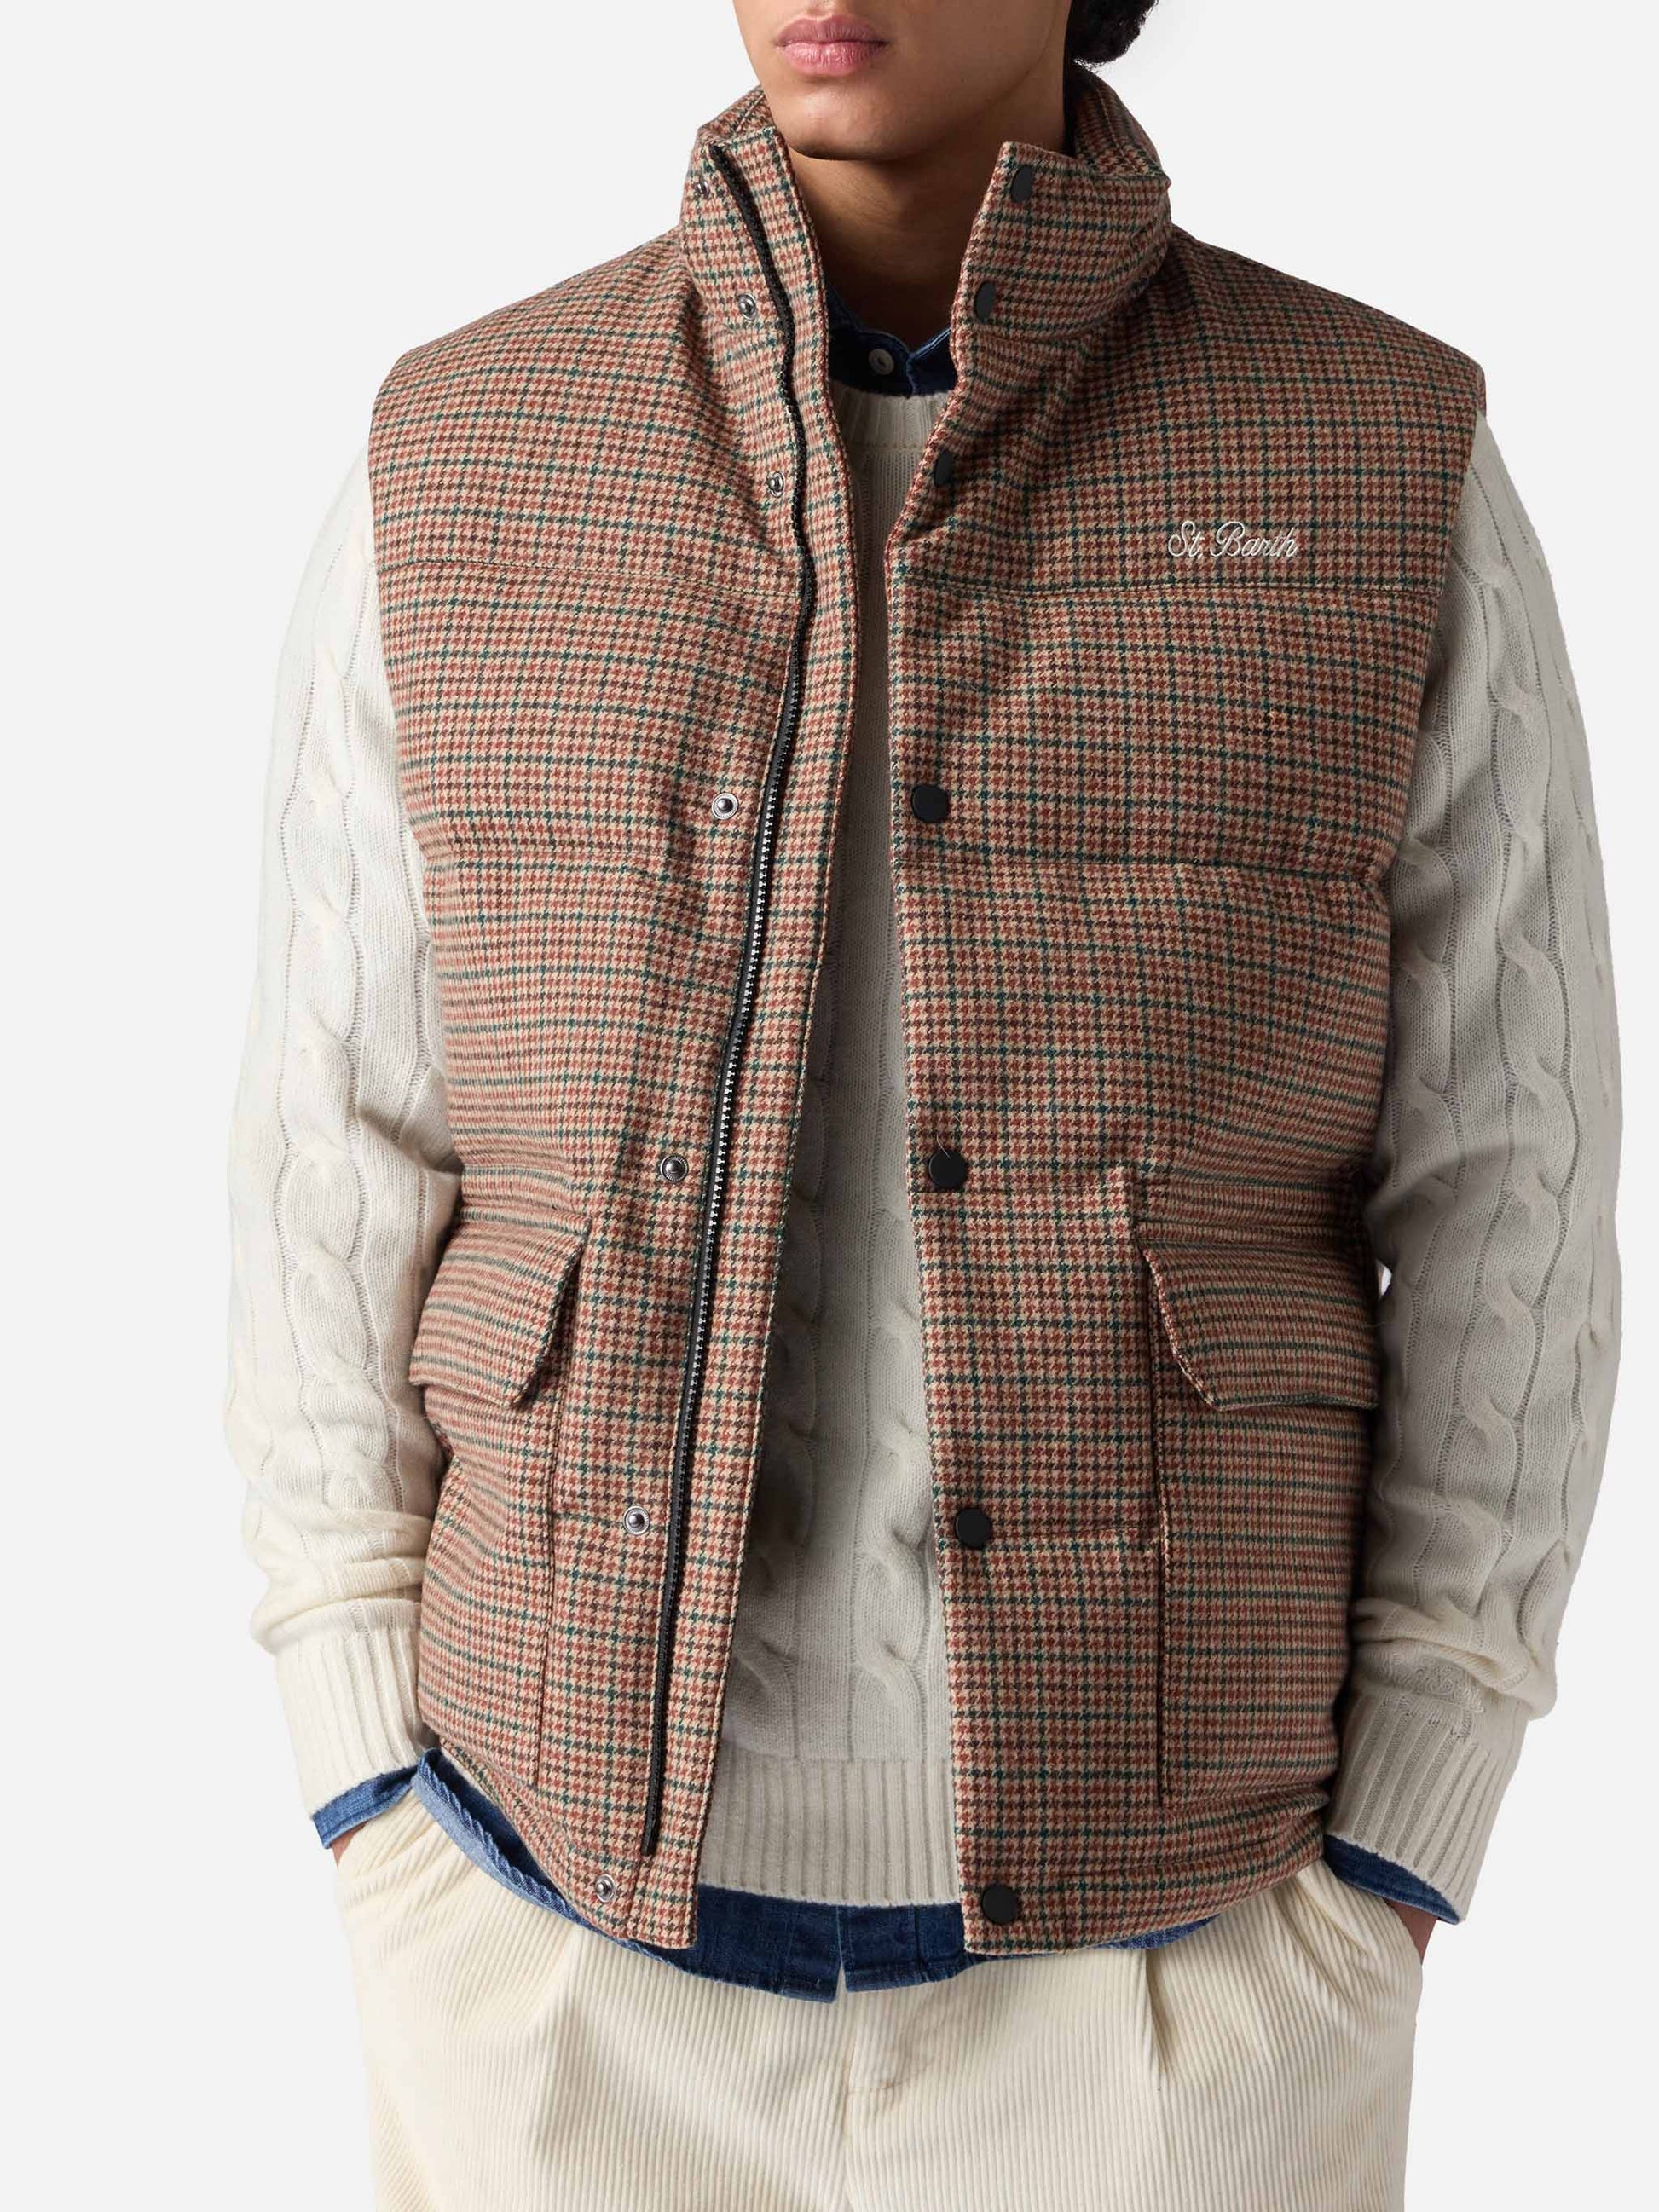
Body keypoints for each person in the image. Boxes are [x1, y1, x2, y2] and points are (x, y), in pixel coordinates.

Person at [225, 3, 1621, 2205]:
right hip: (538, 1937)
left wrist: (1405, 1831)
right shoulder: (469, 444)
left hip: (1190, 1967)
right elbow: (334, 1141)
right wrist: (361, 1769)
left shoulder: (1371, 451)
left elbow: (1509, 1175)